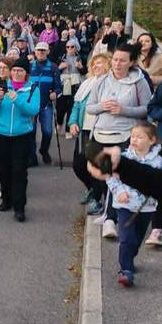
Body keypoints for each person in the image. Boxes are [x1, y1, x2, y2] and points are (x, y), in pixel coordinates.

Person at [86, 44, 153, 238]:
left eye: (122, 60)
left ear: (131, 62)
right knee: (102, 174)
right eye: (115, 59)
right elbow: (90, 107)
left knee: (116, 175)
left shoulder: (139, 82)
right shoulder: (101, 81)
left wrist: (124, 110)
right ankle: (109, 213)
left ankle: (110, 220)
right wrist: (102, 106)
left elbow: (147, 108)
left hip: (126, 134)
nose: (117, 63)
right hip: (101, 132)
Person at [106, 121, 162, 287]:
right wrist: (119, 191)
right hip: (125, 205)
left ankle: (129, 258)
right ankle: (126, 271)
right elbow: (110, 175)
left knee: (137, 239)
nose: (134, 140)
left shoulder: (159, 161)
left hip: (147, 207)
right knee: (127, 238)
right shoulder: (123, 157)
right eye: (132, 136)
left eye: (140, 137)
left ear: (152, 140)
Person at [0, 61, 41, 222]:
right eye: (14, 70)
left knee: (19, 172)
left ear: (26, 73)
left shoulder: (32, 89)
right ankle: (6, 200)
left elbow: (33, 110)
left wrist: (17, 99)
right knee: (3, 170)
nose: (16, 73)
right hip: (0, 134)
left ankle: (19, 207)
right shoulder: (1, 86)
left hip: (21, 136)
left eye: (20, 70)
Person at [68, 54, 112, 215]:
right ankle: (92, 189)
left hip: (100, 130)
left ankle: (97, 199)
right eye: (94, 64)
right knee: (78, 165)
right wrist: (72, 123)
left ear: (108, 65)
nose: (95, 66)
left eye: (99, 63)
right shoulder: (87, 83)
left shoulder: (111, 84)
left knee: (95, 166)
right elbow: (77, 105)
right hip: (85, 128)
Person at [28, 42, 63, 165]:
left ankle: (44, 150)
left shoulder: (53, 67)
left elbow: (59, 87)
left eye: (43, 50)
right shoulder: (30, 66)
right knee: (31, 131)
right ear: (35, 52)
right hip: (31, 105)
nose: (41, 52)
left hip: (46, 104)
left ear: (48, 52)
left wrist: (55, 93)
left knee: (47, 131)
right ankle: (32, 156)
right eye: (38, 50)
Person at [57, 41, 85, 138]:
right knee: (60, 107)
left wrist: (80, 67)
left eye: (72, 47)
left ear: (76, 48)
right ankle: (59, 123)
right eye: (67, 47)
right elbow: (55, 71)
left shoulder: (80, 58)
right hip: (64, 83)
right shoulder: (61, 58)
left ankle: (68, 130)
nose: (70, 48)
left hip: (75, 84)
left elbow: (85, 71)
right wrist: (60, 67)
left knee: (71, 107)